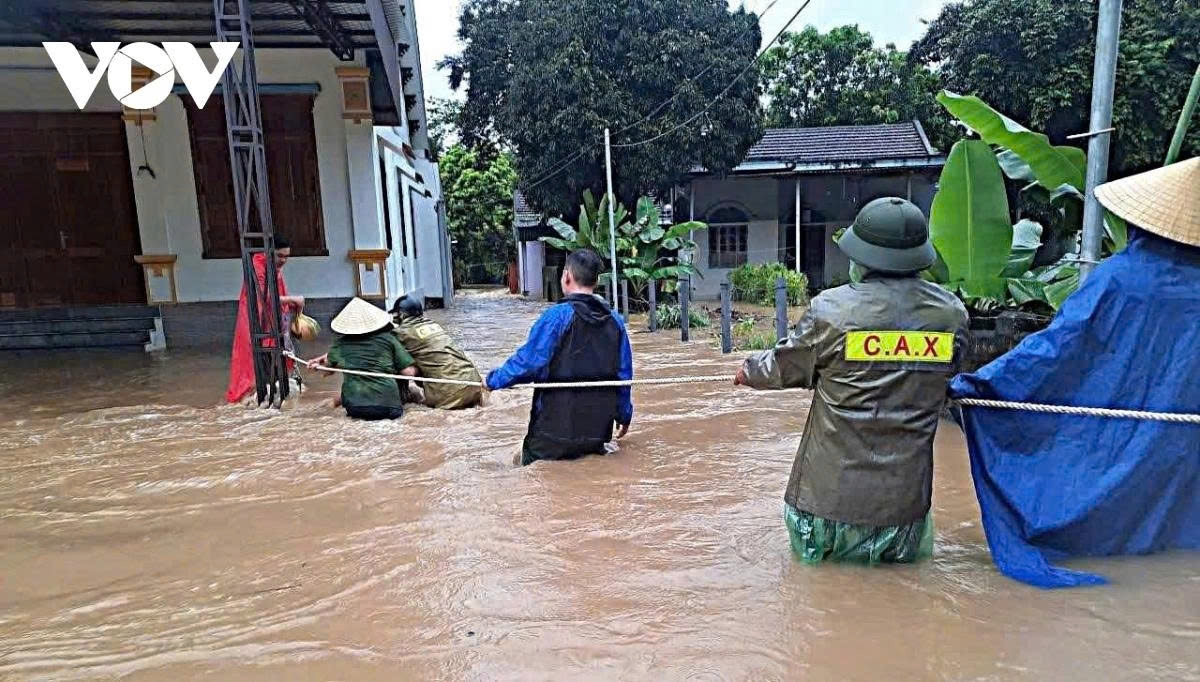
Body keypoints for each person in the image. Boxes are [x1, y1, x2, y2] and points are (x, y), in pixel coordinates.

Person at [950, 158, 1200, 588]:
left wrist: (981, 388)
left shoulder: (1121, 279)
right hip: (1185, 447)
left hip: (1117, 435)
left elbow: (1057, 348)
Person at [735, 197, 969, 565]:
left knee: (817, 591)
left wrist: (747, 371)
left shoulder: (832, 311)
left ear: (861, 256)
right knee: (898, 591)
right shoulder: (951, 317)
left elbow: (786, 366)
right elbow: (950, 374)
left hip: (825, 504)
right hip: (904, 508)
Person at [487, 249, 634, 466]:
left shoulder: (556, 317)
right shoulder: (615, 321)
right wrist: (624, 415)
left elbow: (528, 364)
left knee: (511, 472)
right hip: (596, 437)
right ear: (596, 281)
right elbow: (623, 377)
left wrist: (492, 381)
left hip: (551, 437)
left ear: (566, 276)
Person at [225, 235, 306, 405]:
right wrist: (292, 299)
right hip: (255, 319)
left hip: (272, 320)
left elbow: (278, 295)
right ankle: (254, 393)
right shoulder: (258, 266)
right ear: (269, 253)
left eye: (286, 257)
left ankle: (273, 391)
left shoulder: (273, 267)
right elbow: (263, 297)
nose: (283, 260)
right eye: (280, 256)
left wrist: (291, 306)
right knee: (252, 356)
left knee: (276, 354)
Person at [308, 298, 418, 421]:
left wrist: (317, 365)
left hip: (355, 408)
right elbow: (408, 373)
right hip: (387, 407)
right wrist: (420, 366)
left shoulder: (340, 344)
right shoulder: (389, 339)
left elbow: (328, 370)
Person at [390, 295, 485, 410]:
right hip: (475, 383)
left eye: (396, 315)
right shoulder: (433, 324)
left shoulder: (400, 333)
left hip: (451, 392)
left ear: (402, 314)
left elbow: (399, 365)